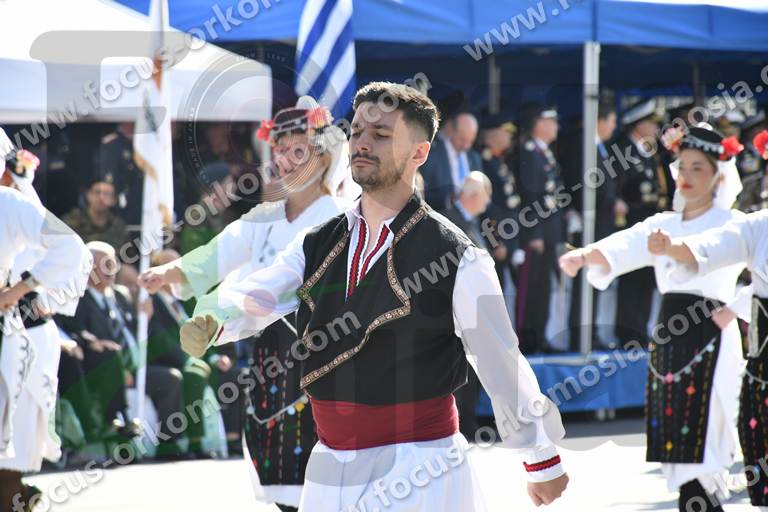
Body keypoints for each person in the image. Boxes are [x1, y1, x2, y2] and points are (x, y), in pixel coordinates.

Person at [181, 82, 568, 511]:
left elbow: (500, 361)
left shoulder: (457, 256)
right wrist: (218, 319)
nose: (362, 143)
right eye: (357, 132)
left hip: (419, 466)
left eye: (381, 135)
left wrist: (541, 458)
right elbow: (264, 291)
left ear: (419, 153)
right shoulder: (317, 243)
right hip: (329, 467)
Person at [138, 97, 356, 512]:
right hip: (269, 350)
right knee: (273, 448)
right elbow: (218, 254)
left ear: (323, 158)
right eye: (279, 151)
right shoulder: (263, 217)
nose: (284, 161)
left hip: (325, 349)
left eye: (297, 151)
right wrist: (169, 272)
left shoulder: (344, 216)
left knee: (322, 462)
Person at [559, 124, 747, 511]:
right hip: (670, 332)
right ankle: (692, 498)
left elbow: (751, 269)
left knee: (709, 430)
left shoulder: (734, 223)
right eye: (682, 167)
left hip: (713, 329)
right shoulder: (664, 224)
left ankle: (703, 498)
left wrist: (734, 308)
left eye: (698, 167)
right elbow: (626, 244)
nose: (687, 175)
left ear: (718, 175)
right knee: (676, 432)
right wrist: (583, 255)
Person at [652, 129, 768, 509]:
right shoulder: (755, 224)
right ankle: (699, 493)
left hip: (722, 334)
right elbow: (712, 247)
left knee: (716, 418)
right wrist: (675, 247)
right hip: (707, 340)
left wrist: (733, 307)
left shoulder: (737, 220)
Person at [0, 129, 91, 511]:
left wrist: (17, 290)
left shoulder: (9, 204)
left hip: (15, 341)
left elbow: (71, 248)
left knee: (7, 461)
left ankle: (14, 495)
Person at [56, 242, 187, 459]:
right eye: (105, 264)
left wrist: (147, 318)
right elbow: (74, 329)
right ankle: (119, 423)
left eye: (113, 263)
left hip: (137, 366)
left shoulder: (121, 295)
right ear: (88, 268)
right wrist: (94, 342)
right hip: (104, 367)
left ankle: (169, 446)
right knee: (113, 359)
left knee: (171, 378)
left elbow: (135, 332)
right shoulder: (78, 298)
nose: (112, 269)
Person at [564, 100, 624, 351]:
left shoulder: (600, 146)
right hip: (591, 222)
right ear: (599, 121)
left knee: (597, 277)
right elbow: (581, 185)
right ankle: (580, 335)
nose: (613, 126)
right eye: (611, 121)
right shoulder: (583, 145)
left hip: (603, 223)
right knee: (585, 281)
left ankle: (591, 332)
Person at [146, 249, 215, 459]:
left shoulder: (179, 300)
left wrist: (208, 356)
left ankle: (226, 438)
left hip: (185, 358)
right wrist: (188, 359)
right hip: (163, 361)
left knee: (220, 371)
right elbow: (159, 340)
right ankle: (192, 442)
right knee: (194, 374)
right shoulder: (151, 300)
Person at [611, 98, 669, 346]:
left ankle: (639, 330)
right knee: (631, 280)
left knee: (646, 279)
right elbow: (617, 188)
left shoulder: (647, 152)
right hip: (631, 225)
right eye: (651, 123)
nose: (656, 129)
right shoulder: (623, 150)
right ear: (638, 124)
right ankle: (626, 333)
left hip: (649, 224)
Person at [443, 171, 492, 441]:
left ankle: (469, 424)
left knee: (473, 369)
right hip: (456, 309)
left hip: (474, 309)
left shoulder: (471, 222)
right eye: (486, 195)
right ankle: (460, 426)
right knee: (460, 371)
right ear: (474, 195)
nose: (488, 201)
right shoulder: (450, 221)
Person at [514, 104, 565, 354]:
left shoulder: (544, 153)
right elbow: (529, 197)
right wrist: (533, 233)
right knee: (531, 289)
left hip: (549, 233)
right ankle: (527, 340)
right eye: (551, 121)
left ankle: (540, 338)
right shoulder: (529, 153)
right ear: (540, 124)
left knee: (544, 288)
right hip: (536, 235)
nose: (556, 127)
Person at [476, 111, 521, 288]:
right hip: (495, 239)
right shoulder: (484, 162)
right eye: (506, 132)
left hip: (507, 235)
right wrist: (495, 242)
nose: (510, 136)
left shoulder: (497, 160)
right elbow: (485, 207)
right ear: (493, 134)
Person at [419, 112, 482, 211]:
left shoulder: (474, 157)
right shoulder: (432, 154)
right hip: (442, 214)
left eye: (470, 141)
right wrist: (448, 198)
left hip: (469, 217)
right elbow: (422, 194)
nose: (466, 146)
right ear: (450, 130)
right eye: (462, 140)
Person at [62, 173, 129, 251]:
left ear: (114, 200)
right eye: (97, 192)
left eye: (107, 194)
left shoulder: (119, 228)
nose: (101, 198)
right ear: (88, 195)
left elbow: (129, 256)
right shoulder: (71, 222)